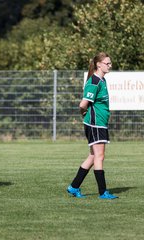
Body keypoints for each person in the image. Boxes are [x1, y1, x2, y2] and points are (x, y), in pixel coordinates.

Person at [67, 52, 118, 200]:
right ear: (99, 64)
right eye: (107, 63)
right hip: (95, 124)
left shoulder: (102, 80)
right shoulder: (94, 81)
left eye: (110, 63)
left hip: (99, 123)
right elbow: (83, 104)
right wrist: (83, 112)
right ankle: (103, 192)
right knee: (100, 156)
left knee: (93, 156)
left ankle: (74, 187)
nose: (110, 65)